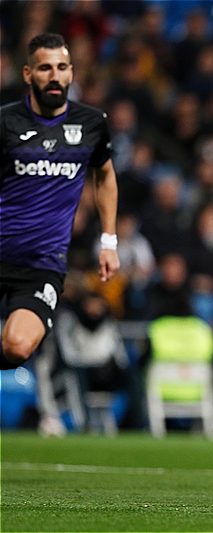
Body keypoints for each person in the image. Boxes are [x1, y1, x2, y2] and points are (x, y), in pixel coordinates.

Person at [0, 33, 120, 370]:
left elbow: (106, 175)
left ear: (71, 73)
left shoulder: (92, 124)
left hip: (41, 264)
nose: (54, 76)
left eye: (62, 67)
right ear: (28, 74)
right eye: (45, 68)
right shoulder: (6, 123)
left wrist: (108, 241)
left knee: (17, 346)